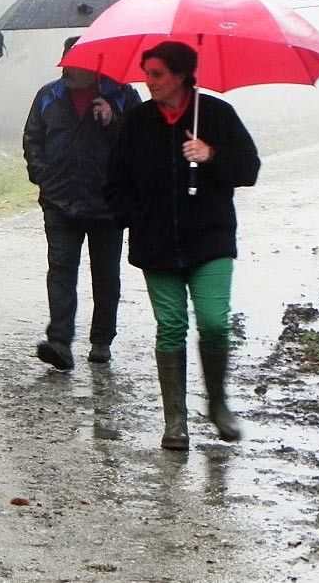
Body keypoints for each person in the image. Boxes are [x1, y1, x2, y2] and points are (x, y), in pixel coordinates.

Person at [104, 40, 260, 451]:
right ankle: (175, 420)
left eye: (156, 74)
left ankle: (219, 404)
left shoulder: (217, 115)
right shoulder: (137, 122)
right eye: (147, 73)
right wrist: (135, 216)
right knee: (171, 327)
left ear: (180, 76)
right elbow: (114, 182)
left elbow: (249, 169)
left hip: (210, 241)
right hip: (157, 246)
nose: (148, 81)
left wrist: (212, 155)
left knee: (213, 321)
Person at [22, 36, 142, 369]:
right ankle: (59, 341)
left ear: (95, 64)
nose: (67, 70)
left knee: (106, 276)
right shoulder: (49, 95)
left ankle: (102, 340)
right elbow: (32, 137)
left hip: (107, 205)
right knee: (61, 271)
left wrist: (113, 122)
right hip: (59, 202)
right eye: (65, 63)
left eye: (75, 64)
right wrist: (42, 175)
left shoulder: (122, 95)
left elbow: (139, 145)